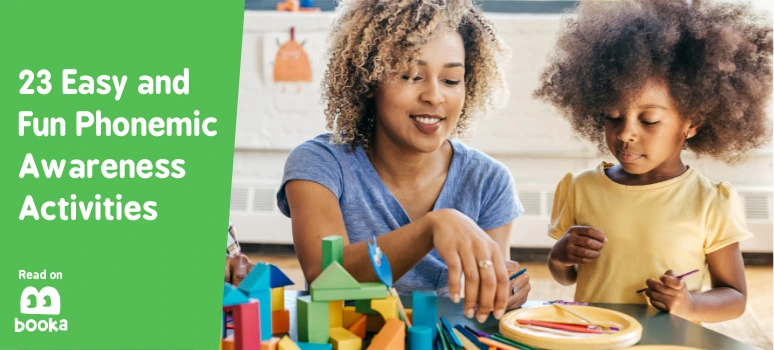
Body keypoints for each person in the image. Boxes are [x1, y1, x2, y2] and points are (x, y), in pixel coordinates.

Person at [276, 0, 530, 323]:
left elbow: (488, 296)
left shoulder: (489, 181)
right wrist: (432, 228)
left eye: (451, 80)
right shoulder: (319, 165)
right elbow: (325, 277)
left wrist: (504, 289)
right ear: (369, 80)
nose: (434, 96)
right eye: (411, 75)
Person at [533, 0, 772, 323]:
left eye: (649, 120)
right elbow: (567, 276)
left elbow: (734, 296)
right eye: (613, 117)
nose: (626, 133)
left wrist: (689, 304)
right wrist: (560, 258)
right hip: (597, 339)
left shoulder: (710, 201)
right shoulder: (581, 187)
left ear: (692, 122)